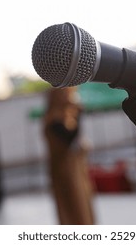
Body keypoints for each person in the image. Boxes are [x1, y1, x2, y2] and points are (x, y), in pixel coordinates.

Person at [43, 87, 95, 225]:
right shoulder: (53, 120)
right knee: (73, 207)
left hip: (75, 171)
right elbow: (68, 138)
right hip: (65, 173)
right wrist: (78, 114)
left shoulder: (65, 118)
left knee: (83, 205)